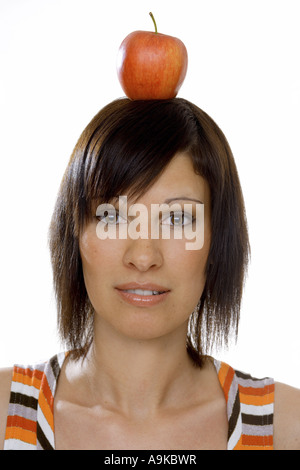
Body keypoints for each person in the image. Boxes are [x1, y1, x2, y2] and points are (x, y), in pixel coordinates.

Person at [0, 98, 299, 450]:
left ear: (217, 241)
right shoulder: (6, 414)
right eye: (112, 217)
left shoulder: (286, 428)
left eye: (178, 219)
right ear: (75, 234)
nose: (143, 256)